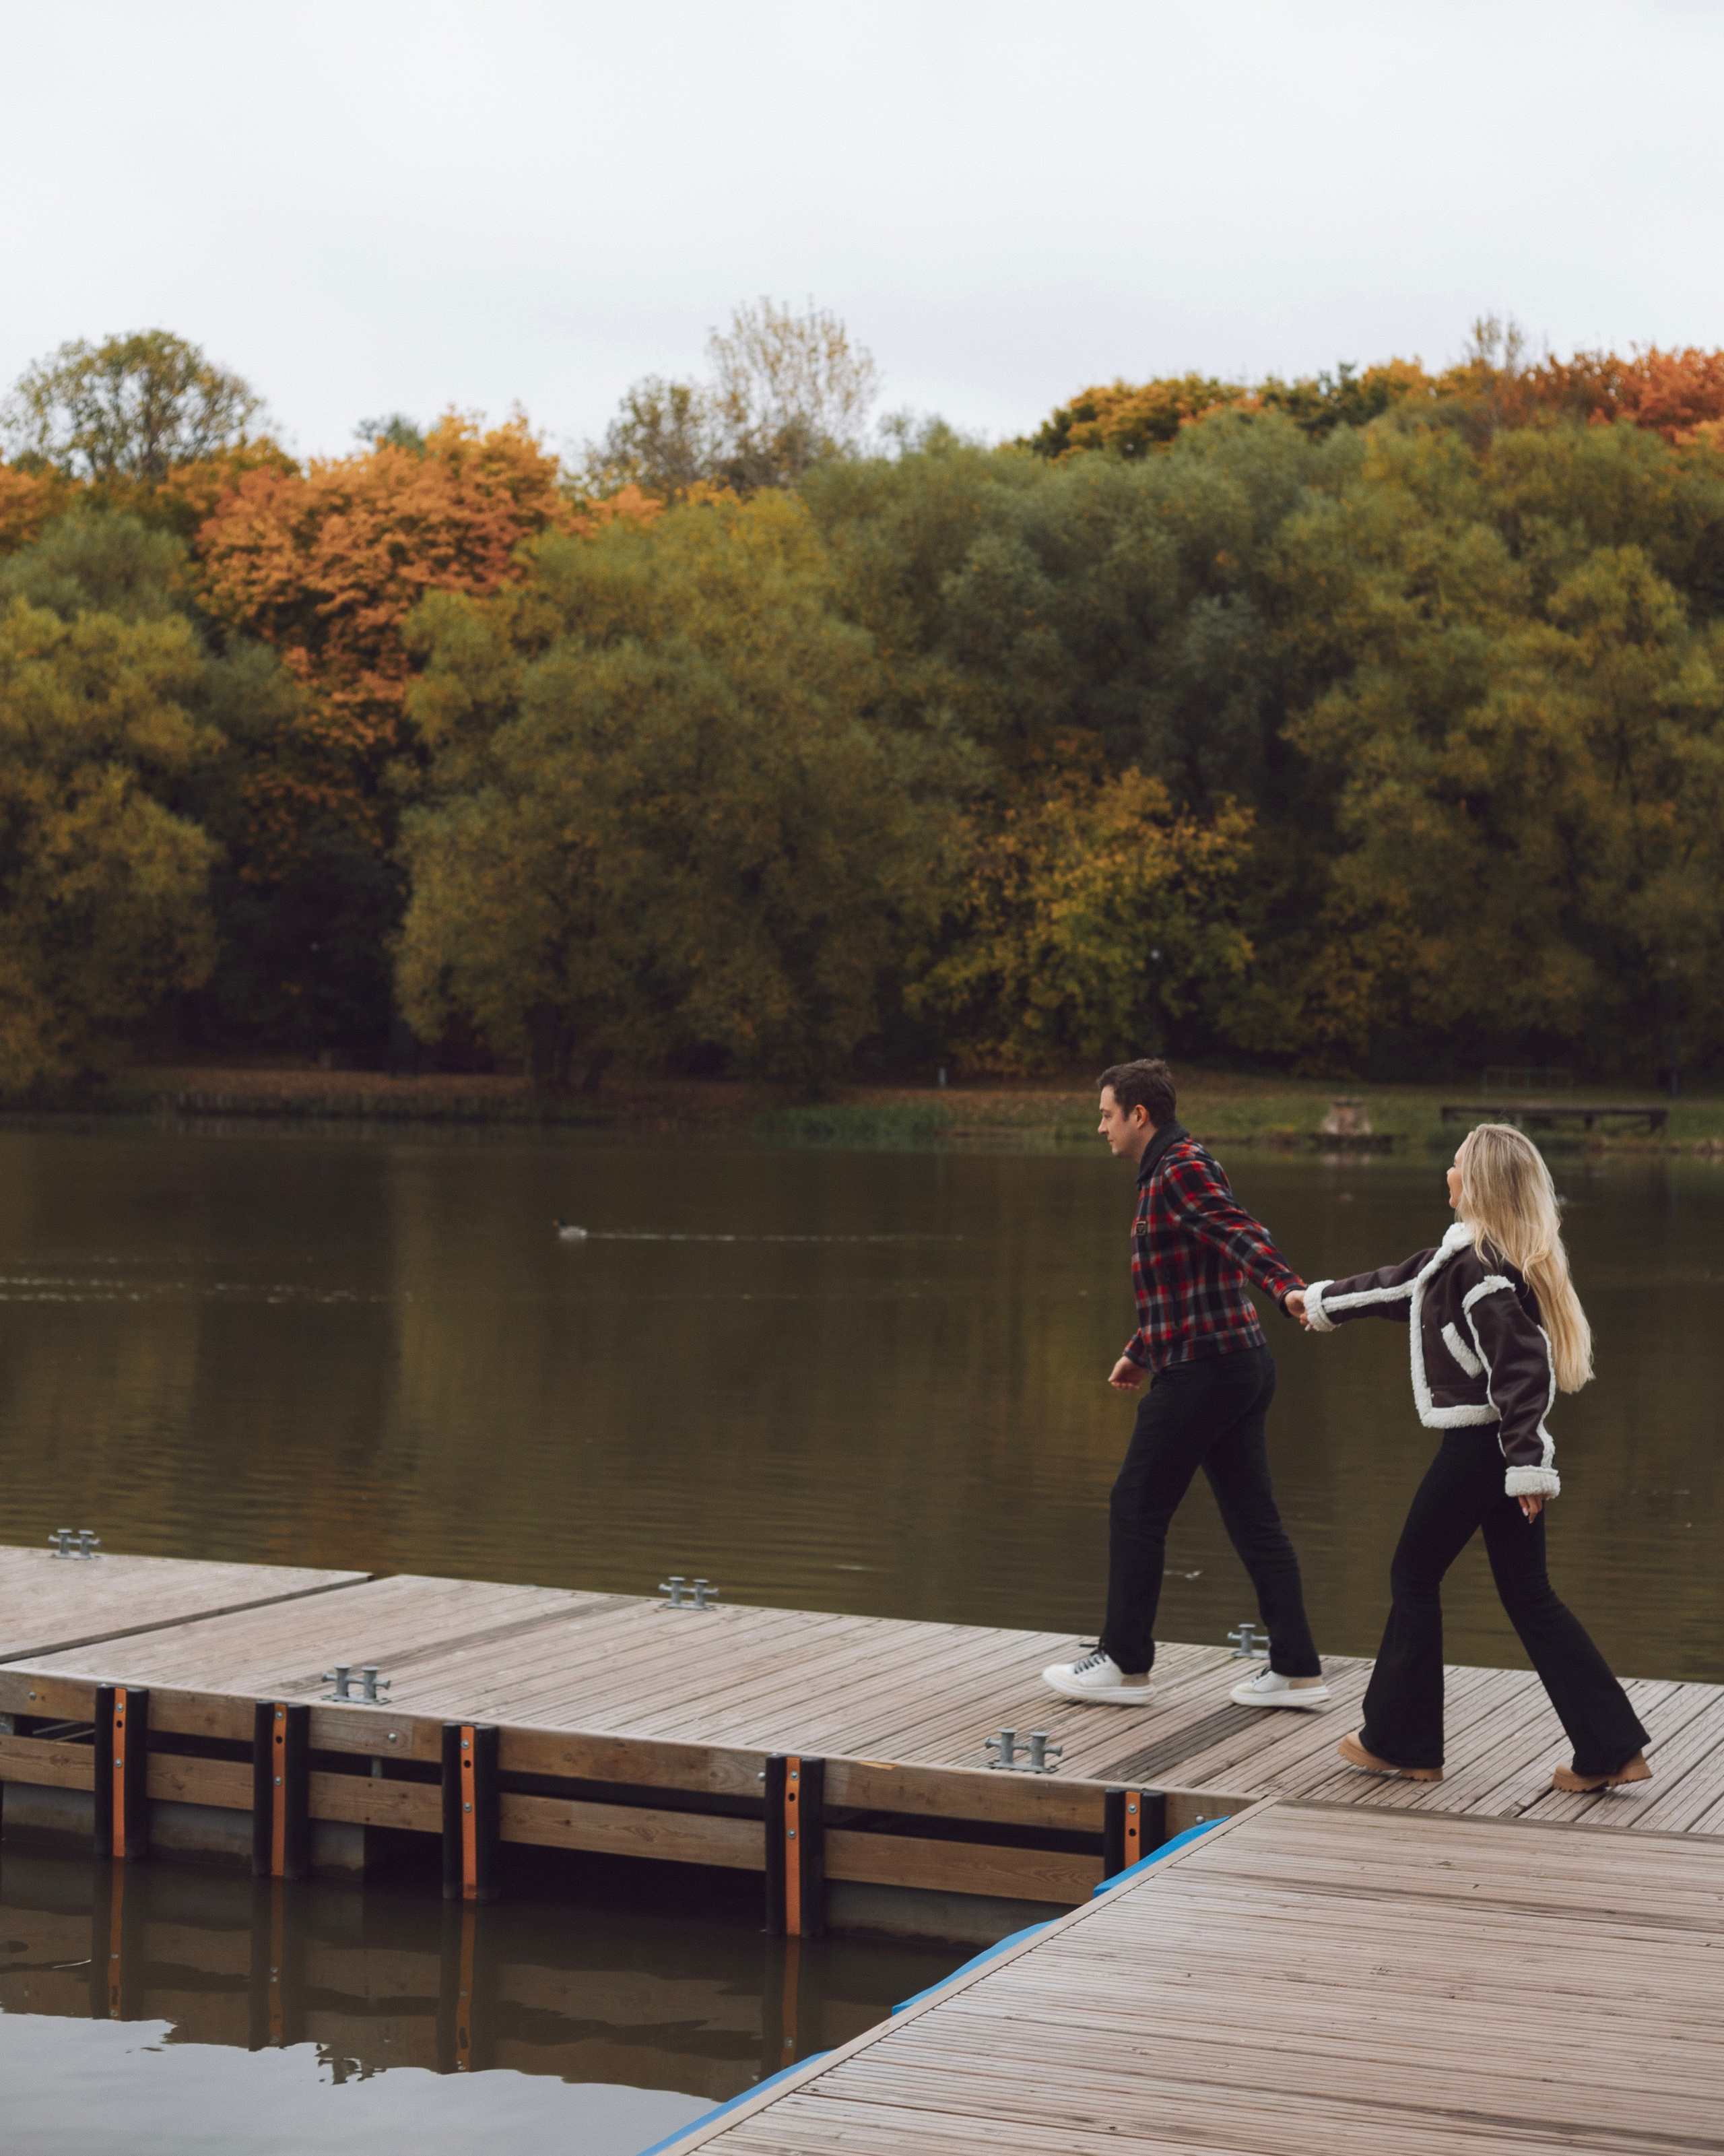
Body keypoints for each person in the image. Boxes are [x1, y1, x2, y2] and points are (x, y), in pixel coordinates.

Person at [1291, 1122, 1650, 1792]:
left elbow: (1524, 1370)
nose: (1448, 1173)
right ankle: (1610, 1748)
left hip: (1483, 1449)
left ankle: (1402, 1743)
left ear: (1478, 1181)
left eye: (1457, 1164)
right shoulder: (1465, 1260)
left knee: (1412, 1575)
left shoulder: (1482, 1271)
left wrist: (1527, 1465)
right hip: (1500, 1452)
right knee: (1528, 1594)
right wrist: (1317, 1303)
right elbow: (1398, 1287)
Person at [1043, 1059, 1328, 1711]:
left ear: (1139, 1114)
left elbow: (1239, 1233)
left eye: (1107, 1114)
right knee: (1253, 1517)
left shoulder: (1180, 1169)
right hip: (1230, 1361)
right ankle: (1297, 1669)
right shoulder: (1167, 1171)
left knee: (1135, 1503)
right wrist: (1141, 1349)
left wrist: (1286, 1288)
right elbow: (1189, 1278)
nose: (1101, 1127)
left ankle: (1124, 1662)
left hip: (1207, 1369)